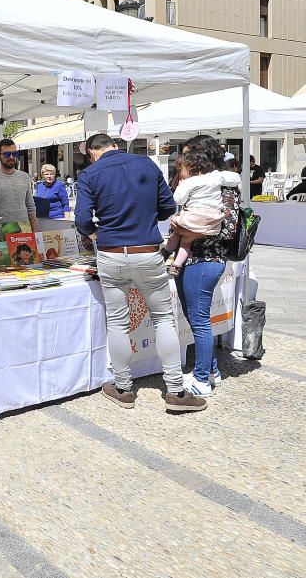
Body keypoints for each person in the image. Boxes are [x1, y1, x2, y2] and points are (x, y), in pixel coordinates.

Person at [74, 132, 206, 413]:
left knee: (118, 322)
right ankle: (175, 391)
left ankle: (123, 388)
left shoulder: (90, 174)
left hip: (110, 254)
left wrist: (97, 233)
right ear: (115, 145)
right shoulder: (146, 164)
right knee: (163, 319)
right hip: (147, 252)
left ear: (92, 152)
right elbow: (168, 207)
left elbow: (83, 220)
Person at [174, 134, 242, 397]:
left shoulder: (224, 186)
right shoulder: (194, 180)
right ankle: (211, 370)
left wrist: (190, 232)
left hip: (207, 258)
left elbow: (229, 230)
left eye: (191, 153)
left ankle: (202, 380)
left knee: (200, 320)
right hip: (189, 259)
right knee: (194, 317)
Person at [163, 149, 240, 276]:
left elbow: (178, 200)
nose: (180, 174)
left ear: (190, 168)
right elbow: (236, 178)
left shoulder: (189, 181)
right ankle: (176, 265)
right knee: (186, 240)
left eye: (181, 170)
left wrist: (181, 185)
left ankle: (166, 253)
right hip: (214, 219)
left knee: (177, 231)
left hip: (194, 216)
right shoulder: (215, 176)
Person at [0, 140, 39, 232]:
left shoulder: (25, 177)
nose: (11, 157)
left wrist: (36, 233)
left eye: (14, 153)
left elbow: (30, 206)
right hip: (2, 233)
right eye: (6, 154)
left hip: (25, 231)